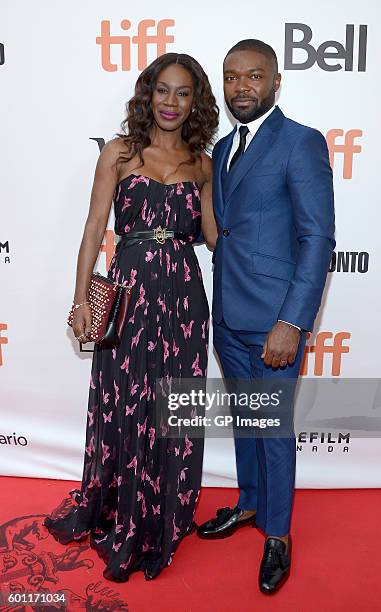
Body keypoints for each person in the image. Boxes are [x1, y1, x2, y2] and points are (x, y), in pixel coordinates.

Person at [43, 52, 219, 582]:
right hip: (130, 296)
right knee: (126, 402)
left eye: (182, 93)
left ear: (196, 102)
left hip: (184, 298)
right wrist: (80, 302)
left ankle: (167, 512)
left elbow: (213, 239)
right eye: (162, 90)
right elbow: (95, 228)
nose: (170, 102)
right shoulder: (120, 153)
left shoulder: (203, 162)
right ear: (149, 95)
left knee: (174, 407)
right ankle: (123, 509)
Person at [197, 39, 335, 594]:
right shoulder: (224, 147)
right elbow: (224, 233)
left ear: (276, 82)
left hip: (276, 318)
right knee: (247, 423)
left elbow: (317, 237)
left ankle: (278, 535)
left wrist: (293, 322)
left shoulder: (300, 143)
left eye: (254, 76)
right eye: (232, 78)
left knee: (272, 429)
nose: (242, 87)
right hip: (228, 316)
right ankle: (250, 504)